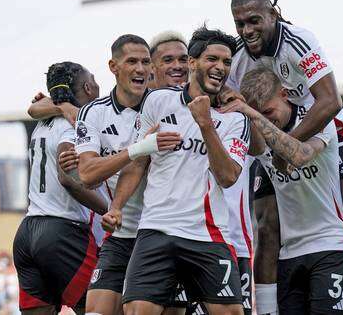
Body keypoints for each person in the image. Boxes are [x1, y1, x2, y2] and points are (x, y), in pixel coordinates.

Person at [227, 0, 343, 315]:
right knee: (267, 226)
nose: (247, 30)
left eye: (254, 20)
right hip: (271, 138)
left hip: (324, 130)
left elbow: (330, 101)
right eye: (240, 23)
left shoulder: (299, 40)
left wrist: (291, 145)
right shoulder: (237, 59)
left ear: (272, 13)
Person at [102, 26, 249, 315]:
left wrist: (206, 124)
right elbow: (138, 162)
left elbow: (228, 177)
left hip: (208, 235)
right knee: (137, 310)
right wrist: (116, 206)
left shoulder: (235, 120)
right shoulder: (158, 101)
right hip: (157, 229)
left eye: (226, 62)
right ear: (192, 63)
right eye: (212, 59)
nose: (220, 67)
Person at [221, 67, 343, 314]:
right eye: (259, 114)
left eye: (269, 112)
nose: (266, 119)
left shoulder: (318, 119)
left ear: (284, 94)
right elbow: (254, 148)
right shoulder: (259, 129)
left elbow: (300, 154)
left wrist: (253, 114)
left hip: (330, 246)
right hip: (288, 255)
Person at [71, 34, 181, 315]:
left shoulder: (165, 105)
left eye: (146, 62)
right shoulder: (93, 113)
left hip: (164, 234)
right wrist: (138, 148)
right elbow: (87, 174)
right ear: (113, 66)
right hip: (121, 233)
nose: (141, 69)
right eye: (132, 61)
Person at [13, 61, 107, 315]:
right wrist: (108, 209)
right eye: (95, 80)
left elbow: (34, 108)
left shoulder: (44, 123)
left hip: (27, 231)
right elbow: (68, 178)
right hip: (62, 231)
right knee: (101, 308)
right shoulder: (75, 125)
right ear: (88, 87)